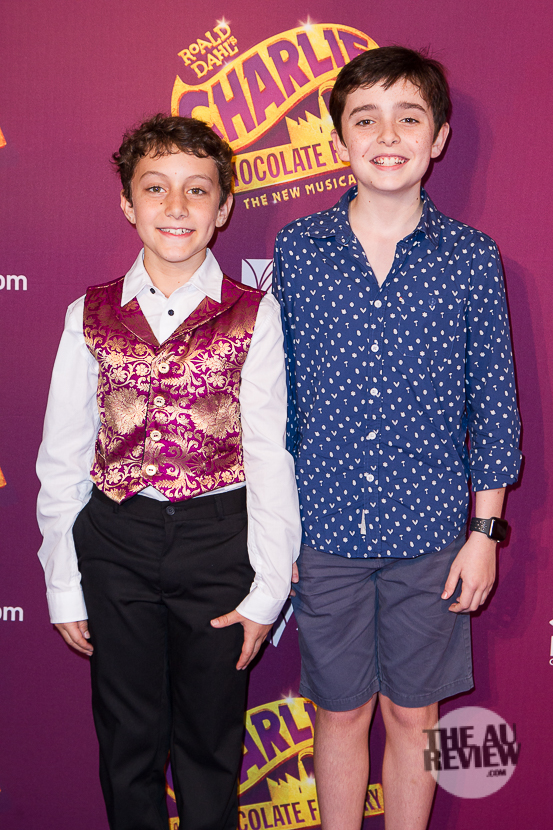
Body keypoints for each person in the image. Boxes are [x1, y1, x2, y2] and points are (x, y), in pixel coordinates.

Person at [273, 47, 521, 830]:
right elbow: (277, 402)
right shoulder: (299, 250)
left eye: (408, 118)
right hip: (323, 533)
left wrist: (483, 533)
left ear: (437, 137)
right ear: (338, 140)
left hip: (433, 538)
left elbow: (493, 407)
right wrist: (274, 526)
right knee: (339, 713)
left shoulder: (470, 259)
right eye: (365, 119)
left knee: (415, 718)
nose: (387, 136)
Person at [37, 114, 300, 830]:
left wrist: (267, 589)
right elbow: (62, 456)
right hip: (115, 540)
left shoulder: (255, 315)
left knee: (211, 743)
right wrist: (63, 579)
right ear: (128, 203)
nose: (176, 207)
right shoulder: (88, 313)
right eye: (155, 188)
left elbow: (269, 455)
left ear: (224, 207)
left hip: (219, 541)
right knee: (128, 741)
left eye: (196, 190)